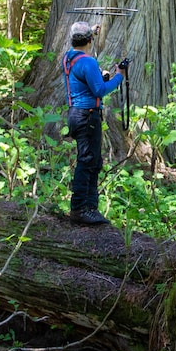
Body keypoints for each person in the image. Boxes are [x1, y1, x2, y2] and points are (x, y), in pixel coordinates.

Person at [61, 20, 128, 226]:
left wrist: (92, 32)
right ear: (89, 40)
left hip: (76, 115)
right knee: (88, 160)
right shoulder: (88, 62)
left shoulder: (69, 58)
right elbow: (99, 90)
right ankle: (81, 208)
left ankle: (90, 207)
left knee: (92, 160)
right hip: (87, 116)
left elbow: (89, 81)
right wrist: (118, 77)